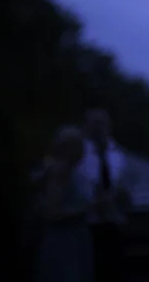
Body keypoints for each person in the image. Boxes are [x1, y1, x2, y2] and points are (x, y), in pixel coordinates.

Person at [35, 127, 96, 282]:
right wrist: (86, 209)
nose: (83, 150)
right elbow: (51, 213)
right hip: (64, 241)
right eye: (78, 145)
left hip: (75, 239)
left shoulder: (73, 171)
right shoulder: (59, 172)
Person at [78, 108, 129, 282]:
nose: (98, 128)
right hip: (86, 223)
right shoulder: (78, 153)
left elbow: (122, 183)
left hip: (113, 222)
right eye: (94, 123)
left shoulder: (117, 153)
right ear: (85, 126)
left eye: (102, 123)